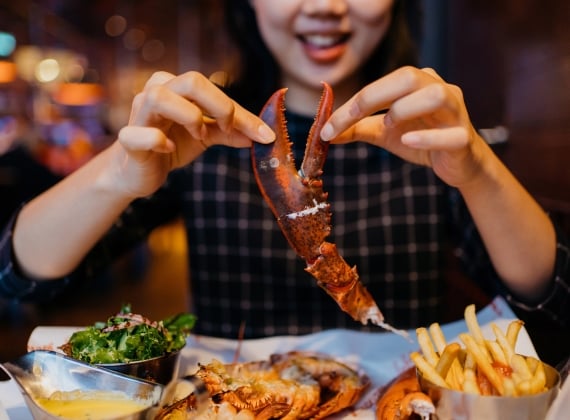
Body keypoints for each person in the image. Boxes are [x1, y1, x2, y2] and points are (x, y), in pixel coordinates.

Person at [1, 0, 568, 340]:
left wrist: (476, 170)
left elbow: (554, 299)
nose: (325, 5)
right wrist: (115, 177)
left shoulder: (432, 127)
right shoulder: (200, 130)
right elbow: (19, 277)